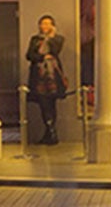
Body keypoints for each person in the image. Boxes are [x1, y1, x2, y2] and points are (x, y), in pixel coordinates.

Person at [25, 14, 67, 145]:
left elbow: (55, 51)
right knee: (43, 102)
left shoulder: (58, 39)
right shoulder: (35, 39)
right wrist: (42, 57)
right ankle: (50, 132)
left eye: (48, 24)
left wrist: (51, 38)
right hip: (39, 75)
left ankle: (51, 132)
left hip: (53, 75)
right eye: (43, 23)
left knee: (51, 102)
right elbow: (30, 55)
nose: (45, 26)